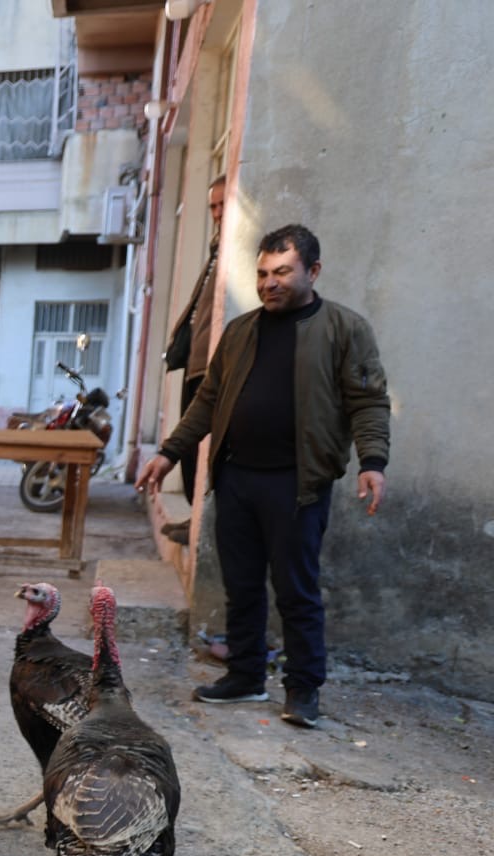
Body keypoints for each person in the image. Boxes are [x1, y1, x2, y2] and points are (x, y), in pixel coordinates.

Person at [134, 223, 390, 729]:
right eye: (262, 273)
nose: (269, 283)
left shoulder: (345, 329)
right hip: (237, 479)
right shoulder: (240, 331)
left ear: (312, 272)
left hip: (298, 484)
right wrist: (169, 452)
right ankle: (246, 677)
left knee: (297, 590)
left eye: (282, 272)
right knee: (242, 586)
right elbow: (208, 402)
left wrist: (373, 463)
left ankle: (302, 689)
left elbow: (368, 402)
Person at [159, 174, 228, 541]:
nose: (217, 213)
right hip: (197, 364)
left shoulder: (239, 249)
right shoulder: (219, 246)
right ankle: (194, 517)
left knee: (202, 449)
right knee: (187, 448)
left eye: (222, 204)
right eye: (212, 206)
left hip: (214, 367)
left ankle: (202, 522)